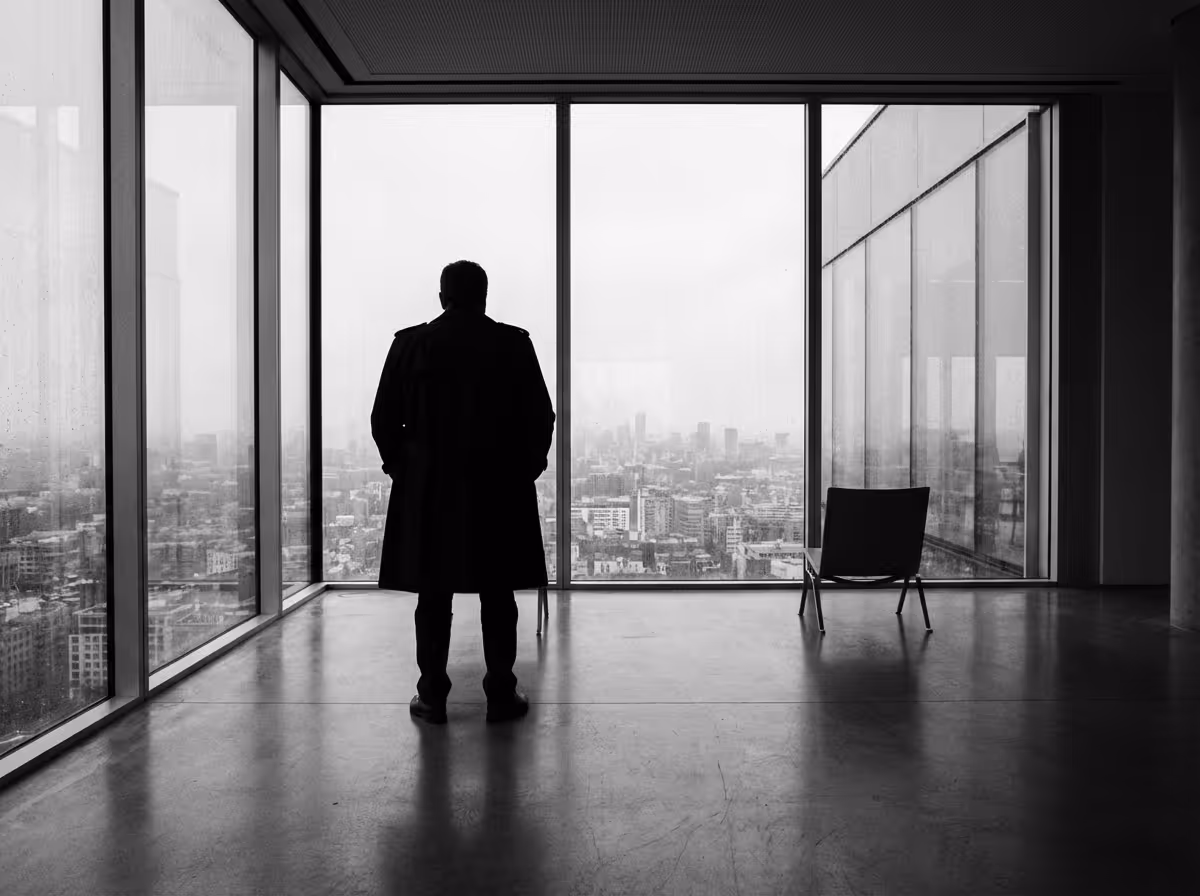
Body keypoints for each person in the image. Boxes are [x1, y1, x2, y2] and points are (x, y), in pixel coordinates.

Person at [372, 260, 555, 724]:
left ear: (441, 297)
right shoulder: (513, 344)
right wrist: (523, 471)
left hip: (430, 493)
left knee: (433, 597)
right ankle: (500, 694)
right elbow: (541, 417)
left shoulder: (410, 345)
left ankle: (432, 696)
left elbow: (383, 419)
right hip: (498, 490)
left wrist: (406, 472)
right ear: (485, 297)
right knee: (498, 596)